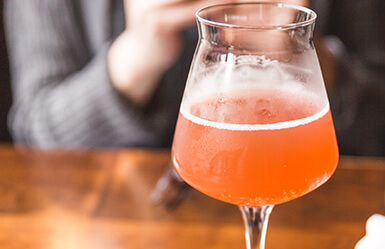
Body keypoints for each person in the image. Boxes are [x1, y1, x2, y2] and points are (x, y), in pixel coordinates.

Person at [4, 0, 306, 148]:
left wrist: (293, 48)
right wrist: (136, 55)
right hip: (109, 234)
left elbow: (353, 135)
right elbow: (33, 140)